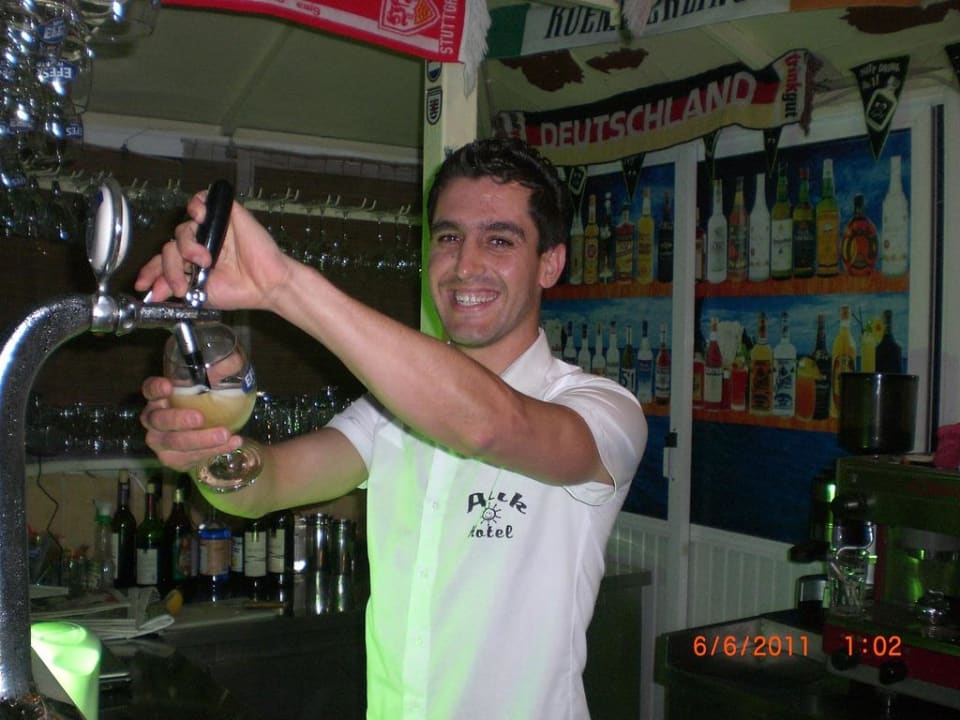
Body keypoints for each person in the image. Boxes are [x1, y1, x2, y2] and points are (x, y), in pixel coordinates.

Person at [137, 136, 647, 719]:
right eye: (449, 237)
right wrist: (207, 449)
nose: (465, 265)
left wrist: (281, 285)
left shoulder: (601, 411)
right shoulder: (390, 410)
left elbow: (488, 424)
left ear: (549, 264)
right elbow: (267, 485)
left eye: (499, 240)